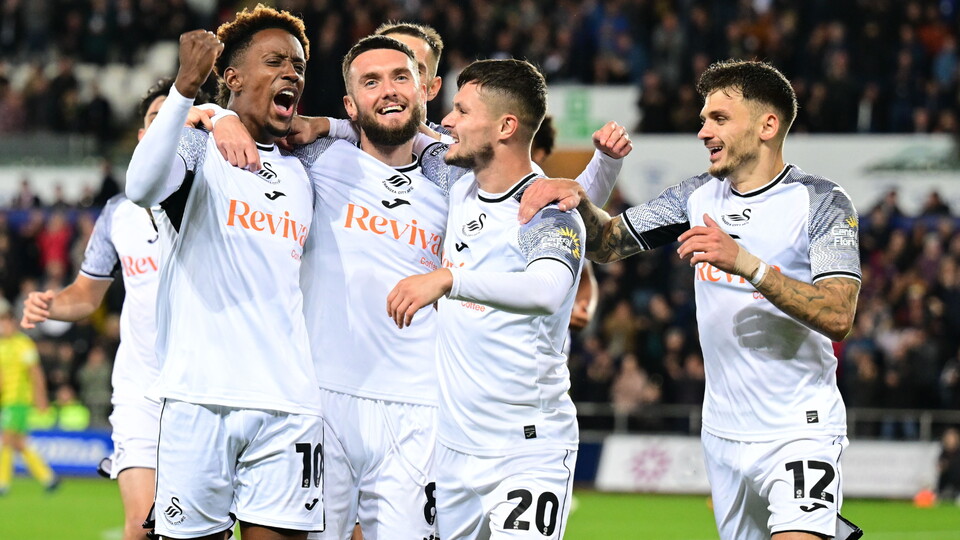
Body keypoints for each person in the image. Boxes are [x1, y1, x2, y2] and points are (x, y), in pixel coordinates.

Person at [205, 31, 629, 539]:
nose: (389, 90)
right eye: (372, 81)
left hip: (424, 415)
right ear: (350, 102)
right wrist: (217, 115)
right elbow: (237, 128)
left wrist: (590, 177)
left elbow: (544, 216)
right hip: (323, 402)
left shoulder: (451, 177)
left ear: (424, 89)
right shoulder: (312, 161)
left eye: (402, 77)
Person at [555, 60, 862, 540]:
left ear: (767, 125)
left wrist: (748, 263)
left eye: (718, 118)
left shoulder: (820, 201)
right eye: (703, 119)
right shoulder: (696, 196)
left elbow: (839, 313)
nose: (702, 131)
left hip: (798, 429)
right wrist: (587, 187)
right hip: (721, 435)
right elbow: (606, 244)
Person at [124, 5, 323, 540]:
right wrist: (191, 93)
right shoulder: (196, 145)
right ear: (231, 77)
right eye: (275, 61)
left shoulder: (304, 169)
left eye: (299, 65)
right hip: (199, 400)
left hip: (290, 406)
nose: (292, 73)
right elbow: (140, 188)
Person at [387, 59, 585, 540]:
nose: (446, 121)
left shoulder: (548, 213)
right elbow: (391, 129)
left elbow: (547, 290)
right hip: (453, 451)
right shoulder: (461, 188)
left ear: (505, 126)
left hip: (526, 450)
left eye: (460, 110)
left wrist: (450, 278)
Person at [20, 77, 213, 540]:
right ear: (145, 136)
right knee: (141, 527)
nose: (171, 125)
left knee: (208, 531)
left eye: (183, 116)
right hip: (140, 391)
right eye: (158, 119)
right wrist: (52, 304)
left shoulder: (223, 199)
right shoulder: (117, 213)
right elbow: (86, 295)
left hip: (209, 389)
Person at [531, 114, 599, 335]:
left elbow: (586, 277)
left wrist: (584, 307)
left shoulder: (558, 208)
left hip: (547, 352)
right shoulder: (468, 195)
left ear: (539, 153)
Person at [0, 298, 59, 496]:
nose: (2, 326)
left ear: (13, 323)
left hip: (17, 400)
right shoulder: (2, 345)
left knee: (7, 439)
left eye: (5, 321)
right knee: (19, 442)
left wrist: (40, 399)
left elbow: (35, 373)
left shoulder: (22, 344)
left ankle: (3, 482)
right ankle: (48, 478)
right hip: (6, 401)